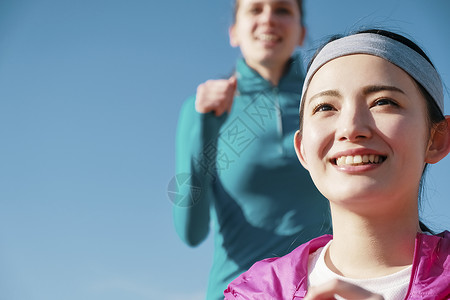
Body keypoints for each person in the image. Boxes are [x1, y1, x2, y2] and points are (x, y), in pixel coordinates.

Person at [224, 29, 450, 299]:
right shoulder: (256, 292)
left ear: (436, 139)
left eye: (383, 102)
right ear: (303, 149)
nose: (351, 128)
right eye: (325, 107)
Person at [173, 0, 331, 299]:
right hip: (236, 292)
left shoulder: (327, 101)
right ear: (234, 32)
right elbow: (189, 231)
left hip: (323, 289)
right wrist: (205, 124)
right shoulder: (201, 109)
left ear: (301, 33)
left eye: (283, 9)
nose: (269, 18)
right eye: (255, 9)